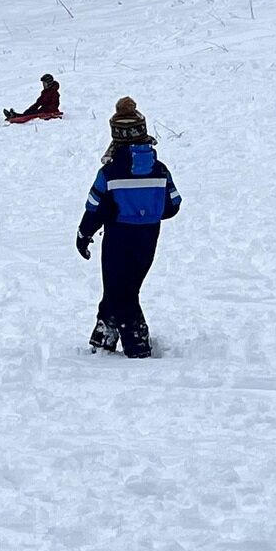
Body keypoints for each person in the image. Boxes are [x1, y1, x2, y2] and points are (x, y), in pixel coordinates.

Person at [76, 98, 181, 359]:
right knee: (122, 286)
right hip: (148, 238)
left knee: (122, 290)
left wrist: (84, 233)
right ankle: (103, 338)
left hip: (118, 237)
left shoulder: (109, 173)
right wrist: (149, 211)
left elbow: (95, 207)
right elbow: (173, 205)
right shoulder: (160, 170)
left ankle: (137, 345)